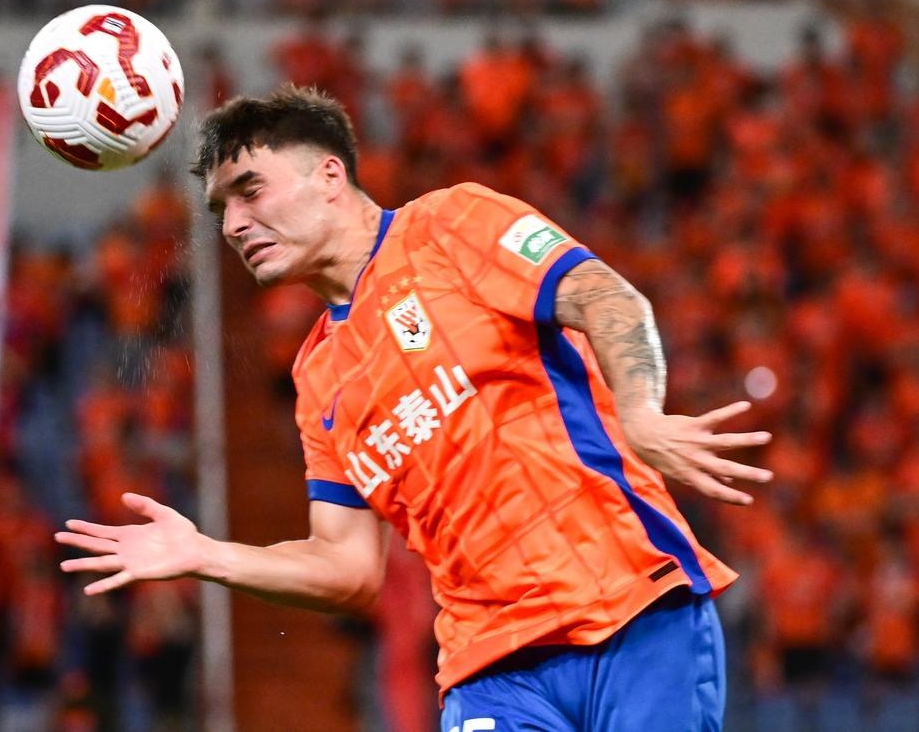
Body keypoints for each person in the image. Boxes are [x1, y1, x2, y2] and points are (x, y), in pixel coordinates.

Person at [57, 85, 774, 731]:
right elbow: (346, 567)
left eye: (250, 191)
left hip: (633, 608)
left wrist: (640, 412)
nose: (234, 224)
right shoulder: (318, 377)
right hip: (492, 668)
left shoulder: (450, 225)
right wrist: (206, 555)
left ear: (329, 175)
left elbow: (603, 294)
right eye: (221, 210)